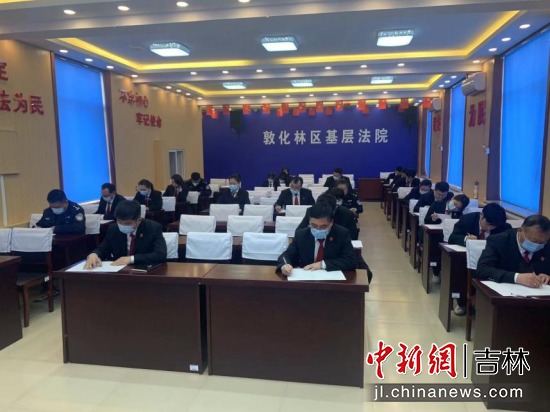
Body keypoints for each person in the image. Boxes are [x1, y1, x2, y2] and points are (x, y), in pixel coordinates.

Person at [276, 202, 357, 275]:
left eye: (323, 226)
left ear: (331, 223)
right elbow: (286, 255)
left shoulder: (342, 234)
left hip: (332, 279)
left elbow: (350, 261)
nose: (318, 229)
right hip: (307, 277)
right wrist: (285, 265)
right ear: (309, 221)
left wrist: (322, 264)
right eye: (314, 225)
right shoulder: (301, 235)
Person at [84, 200, 167, 268]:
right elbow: (103, 248)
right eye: (119, 222)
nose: (123, 225)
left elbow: (160, 254)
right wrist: (94, 254)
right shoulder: (113, 229)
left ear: (138, 220)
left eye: (128, 223)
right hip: (119, 271)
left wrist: (131, 259)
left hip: (144, 270)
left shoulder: (153, 228)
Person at [476, 215, 550, 287]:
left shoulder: (547, 242)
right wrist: (517, 277)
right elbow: (482, 270)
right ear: (520, 231)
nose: (537, 245)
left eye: (542, 242)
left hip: (538, 291)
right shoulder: (499, 241)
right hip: (504, 290)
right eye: (533, 241)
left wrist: (546, 276)